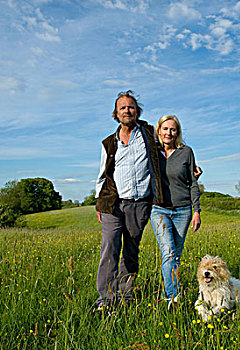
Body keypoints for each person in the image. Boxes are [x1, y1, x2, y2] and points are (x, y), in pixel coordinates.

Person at [94, 90, 163, 310]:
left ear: (137, 111)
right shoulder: (108, 142)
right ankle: (105, 299)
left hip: (140, 203)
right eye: (122, 107)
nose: (127, 110)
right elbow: (103, 174)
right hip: (113, 204)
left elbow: (171, 147)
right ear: (116, 113)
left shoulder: (150, 133)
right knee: (110, 248)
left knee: (131, 251)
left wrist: (190, 166)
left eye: (131, 107)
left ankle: (125, 296)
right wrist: (99, 202)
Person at [149, 114, 201, 310]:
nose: (168, 133)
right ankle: (173, 298)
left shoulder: (186, 152)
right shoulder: (152, 152)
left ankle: (167, 293)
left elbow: (192, 183)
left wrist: (196, 210)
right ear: (158, 131)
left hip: (183, 210)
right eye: (165, 129)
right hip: (159, 209)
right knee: (169, 254)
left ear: (177, 132)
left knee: (175, 256)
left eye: (172, 129)